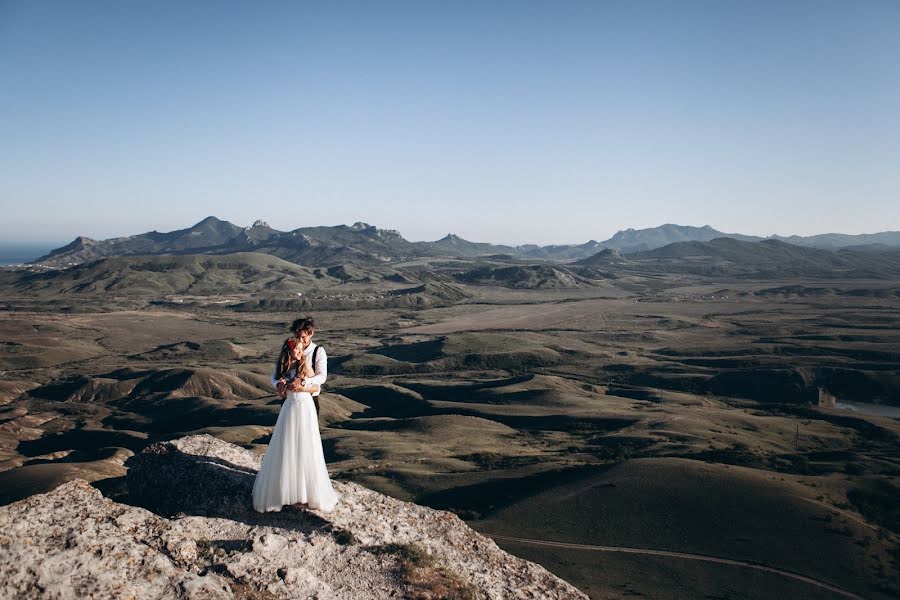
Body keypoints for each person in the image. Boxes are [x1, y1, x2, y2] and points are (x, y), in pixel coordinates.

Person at [252, 317, 338, 512]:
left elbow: (321, 378)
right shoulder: (288, 350)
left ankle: (307, 489)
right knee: (288, 442)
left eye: (304, 336)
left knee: (308, 443)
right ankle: (288, 488)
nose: (301, 340)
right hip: (290, 402)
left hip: (308, 401)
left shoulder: (318, 351)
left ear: (310, 333)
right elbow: (274, 376)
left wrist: (303, 383)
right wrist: (279, 385)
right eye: (298, 336)